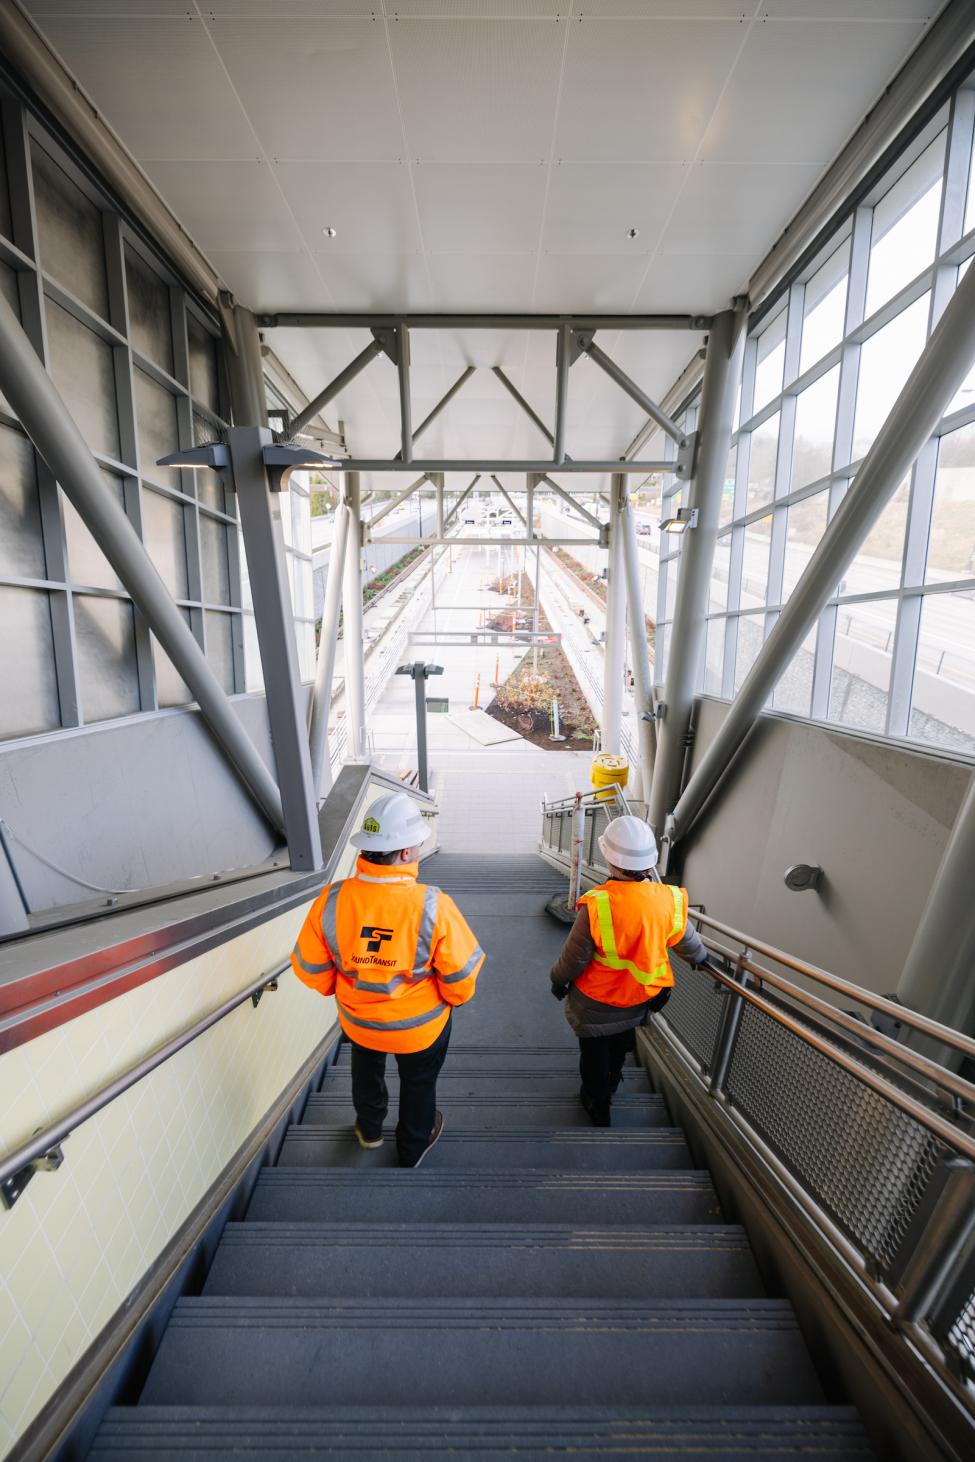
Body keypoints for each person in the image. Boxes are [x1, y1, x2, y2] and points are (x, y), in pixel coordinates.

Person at [291, 791, 484, 1167]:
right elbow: (461, 979)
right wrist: (448, 1000)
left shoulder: (332, 900)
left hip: (359, 1021)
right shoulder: (433, 905)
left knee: (366, 1068)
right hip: (420, 1028)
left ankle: (369, 1129)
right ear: (406, 854)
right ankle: (412, 1146)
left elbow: (309, 968)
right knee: (418, 1082)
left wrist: (341, 989)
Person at [549, 814, 707, 1127]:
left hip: (595, 1002)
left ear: (608, 858)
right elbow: (687, 939)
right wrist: (701, 958)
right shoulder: (668, 901)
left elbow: (574, 958)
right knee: (620, 1047)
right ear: (650, 864)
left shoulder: (597, 904)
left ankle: (597, 1102)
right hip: (639, 998)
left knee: (593, 1054)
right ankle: (610, 1084)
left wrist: (558, 980)